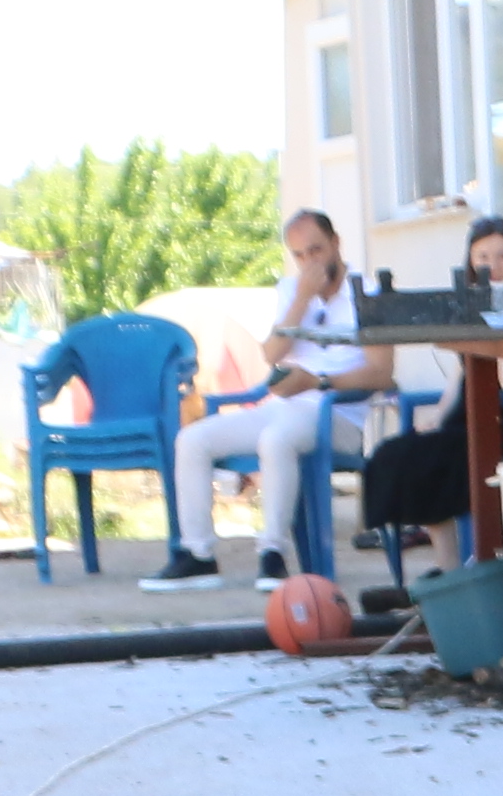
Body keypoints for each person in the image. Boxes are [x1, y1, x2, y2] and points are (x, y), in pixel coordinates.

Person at [147, 209, 380, 589]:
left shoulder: (368, 294)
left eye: (316, 250)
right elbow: (272, 353)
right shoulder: (292, 292)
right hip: (284, 407)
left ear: (336, 244)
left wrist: (318, 381)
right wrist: (302, 299)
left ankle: (272, 554)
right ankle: (198, 555)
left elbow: (381, 373)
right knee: (192, 439)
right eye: (299, 255)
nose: (309, 262)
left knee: (276, 440)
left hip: (336, 414)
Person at [359, 217, 503, 567]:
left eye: (502, 256)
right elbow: (460, 378)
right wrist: (437, 414)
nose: (492, 265)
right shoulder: (469, 308)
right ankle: (445, 567)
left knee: (437, 462)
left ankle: (472, 566)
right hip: (471, 420)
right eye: (483, 257)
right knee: (395, 455)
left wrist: (494, 318)